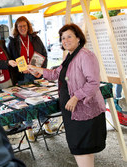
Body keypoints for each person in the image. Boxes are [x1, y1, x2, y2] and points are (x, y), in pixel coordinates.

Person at [28, 23, 106, 167]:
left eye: (69, 36)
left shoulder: (86, 55)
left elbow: (94, 82)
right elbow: (56, 73)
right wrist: (37, 70)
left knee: (82, 149)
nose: (65, 40)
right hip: (73, 112)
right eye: (63, 38)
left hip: (85, 112)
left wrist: (76, 97)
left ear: (78, 38)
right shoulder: (69, 56)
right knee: (82, 150)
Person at [8, 16, 48, 85]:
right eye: (20, 26)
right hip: (22, 77)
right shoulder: (13, 42)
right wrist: (18, 70)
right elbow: (9, 60)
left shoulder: (36, 39)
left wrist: (42, 70)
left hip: (36, 74)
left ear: (28, 26)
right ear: (16, 28)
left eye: (24, 26)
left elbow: (44, 55)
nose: (23, 28)